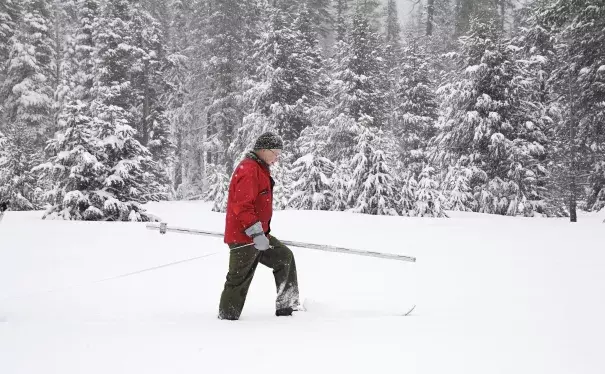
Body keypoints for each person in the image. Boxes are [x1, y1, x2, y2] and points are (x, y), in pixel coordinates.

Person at [218, 132, 301, 320]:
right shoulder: (249, 170)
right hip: (244, 238)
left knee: (283, 257)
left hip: (260, 236)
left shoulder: (260, 168)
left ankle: (287, 306)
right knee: (238, 280)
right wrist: (256, 234)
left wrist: (261, 235)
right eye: (275, 152)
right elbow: (243, 206)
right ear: (263, 150)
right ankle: (226, 320)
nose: (277, 156)